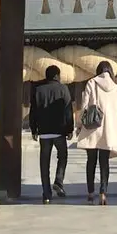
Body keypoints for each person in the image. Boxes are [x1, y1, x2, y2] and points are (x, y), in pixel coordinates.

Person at [77, 60, 117, 205]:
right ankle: (103, 192)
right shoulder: (115, 87)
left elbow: (85, 105)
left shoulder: (91, 82)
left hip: (92, 127)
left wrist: (79, 123)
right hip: (108, 129)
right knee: (104, 162)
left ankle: (90, 192)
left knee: (91, 161)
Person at [29, 65, 74, 204]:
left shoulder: (38, 90)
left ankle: (46, 194)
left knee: (44, 163)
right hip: (59, 131)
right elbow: (68, 110)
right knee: (63, 156)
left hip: (44, 132)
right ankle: (59, 181)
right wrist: (70, 129)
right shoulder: (63, 89)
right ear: (56, 76)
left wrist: (34, 129)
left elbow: (33, 112)